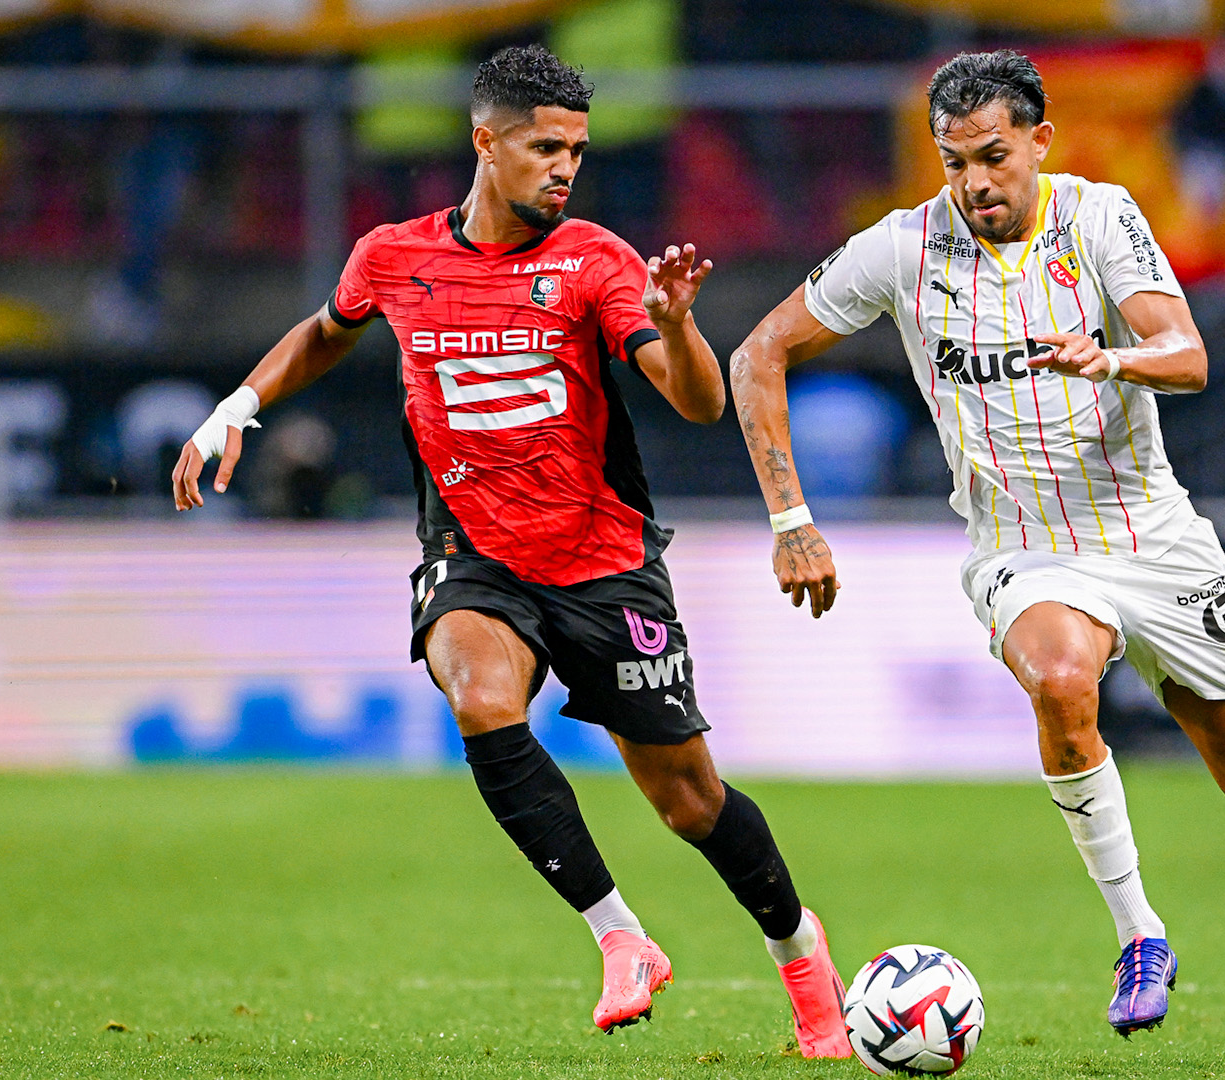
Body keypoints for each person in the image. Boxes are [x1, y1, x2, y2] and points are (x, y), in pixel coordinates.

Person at [727, 50, 1225, 1070]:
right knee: (1064, 681)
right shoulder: (903, 250)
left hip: (1150, 536)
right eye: (953, 162)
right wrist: (791, 519)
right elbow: (754, 352)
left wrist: (1109, 355)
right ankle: (1139, 937)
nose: (975, 182)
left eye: (992, 156)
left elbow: (1190, 354)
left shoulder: (1099, 220)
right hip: (1023, 549)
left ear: (1039, 141)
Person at [169, 45, 849, 1057]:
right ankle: (621, 938)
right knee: (481, 695)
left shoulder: (597, 261)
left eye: (576, 149)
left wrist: (677, 323)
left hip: (604, 559)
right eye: (545, 147)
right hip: (475, 554)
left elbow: (698, 401)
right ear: (485, 143)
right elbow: (328, 329)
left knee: (687, 798)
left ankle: (802, 954)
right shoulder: (394, 256)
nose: (566, 167)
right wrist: (240, 405)